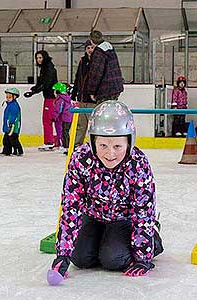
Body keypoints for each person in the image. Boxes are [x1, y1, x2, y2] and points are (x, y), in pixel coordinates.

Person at [49, 100, 164, 279]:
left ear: (129, 142)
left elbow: (143, 211)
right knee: (79, 258)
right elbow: (71, 206)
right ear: (93, 142)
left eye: (117, 146)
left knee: (113, 259)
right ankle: (104, 240)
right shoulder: (81, 159)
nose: (110, 154)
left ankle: (153, 238)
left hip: (124, 220)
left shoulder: (138, 164)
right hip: (94, 216)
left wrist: (143, 257)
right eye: (103, 146)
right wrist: (63, 254)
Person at [24, 50, 58, 151]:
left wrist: (34, 92)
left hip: (51, 98)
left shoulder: (49, 69)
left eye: (40, 58)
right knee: (50, 120)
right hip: (49, 97)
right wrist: (33, 90)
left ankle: (49, 142)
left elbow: (46, 84)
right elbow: (40, 83)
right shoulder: (44, 68)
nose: (38, 60)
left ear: (45, 58)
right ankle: (54, 141)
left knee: (47, 120)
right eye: (37, 58)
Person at [85, 30, 124, 104]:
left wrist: (91, 91)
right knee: (111, 110)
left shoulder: (99, 52)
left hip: (105, 89)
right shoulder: (110, 49)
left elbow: (96, 73)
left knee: (103, 112)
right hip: (116, 87)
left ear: (91, 41)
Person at [71, 39, 95, 147]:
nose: (90, 50)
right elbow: (78, 78)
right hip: (81, 98)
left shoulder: (98, 61)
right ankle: (77, 145)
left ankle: (94, 145)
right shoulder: (82, 61)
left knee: (93, 125)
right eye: (88, 48)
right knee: (81, 124)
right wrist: (74, 93)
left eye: (92, 48)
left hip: (92, 100)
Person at [0, 87, 23, 156]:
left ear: (14, 97)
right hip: (8, 126)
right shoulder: (9, 105)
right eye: (7, 96)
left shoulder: (14, 106)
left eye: (9, 96)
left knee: (13, 139)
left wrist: (11, 124)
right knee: (6, 140)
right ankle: (7, 151)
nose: (7, 98)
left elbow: (13, 115)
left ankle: (18, 151)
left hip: (13, 126)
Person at [52, 82, 73, 155]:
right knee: (65, 132)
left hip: (65, 118)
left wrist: (54, 117)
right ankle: (66, 146)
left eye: (55, 91)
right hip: (68, 117)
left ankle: (66, 146)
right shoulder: (66, 98)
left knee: (65, 132)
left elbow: (59, 109)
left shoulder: (60, 99)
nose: (54, 93)